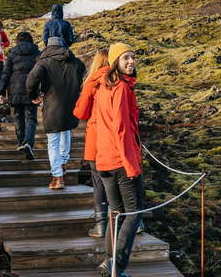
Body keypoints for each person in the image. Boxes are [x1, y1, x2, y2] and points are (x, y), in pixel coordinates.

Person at [95, 43, 143, 277]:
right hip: (121, 160)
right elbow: (121, 129)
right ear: (115, 62)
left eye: (133, 57)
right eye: (126, 58)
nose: (131, 62)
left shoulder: (103, 86)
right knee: (134, 213)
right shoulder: (122, 89)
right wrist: (131, 165)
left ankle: (108, 262)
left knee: (116, 213)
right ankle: (118, 265)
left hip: (103, 160)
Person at [26, 36, 85, 190]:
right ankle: (63, 164)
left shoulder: (44, 62)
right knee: (66, 131)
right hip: (72, 103)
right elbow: (85, 79)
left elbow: (31, 79)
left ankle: (57, 177)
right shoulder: (77, 62)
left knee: (53, 141)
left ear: (47, 47)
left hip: (52, 104)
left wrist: (34, 96)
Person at [74, 49, 110, 238]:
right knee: (121, 181)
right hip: (117, 139)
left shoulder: (93, 80)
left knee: (98, 181)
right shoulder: (122, 80)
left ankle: (101, 225)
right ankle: (134, 222)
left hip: (97, 137)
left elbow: (80, 112)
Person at [0, 32, 40, 160]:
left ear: (17, 40)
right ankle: (29, 143)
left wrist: (1, 92)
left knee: (18, 116)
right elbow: (41, 72)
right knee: (31, 117)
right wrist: (42, 89)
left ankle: (21, 142)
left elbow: (5, 74)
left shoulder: (12, 53)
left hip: (15, 87)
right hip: (31, 87)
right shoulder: (37, 52)